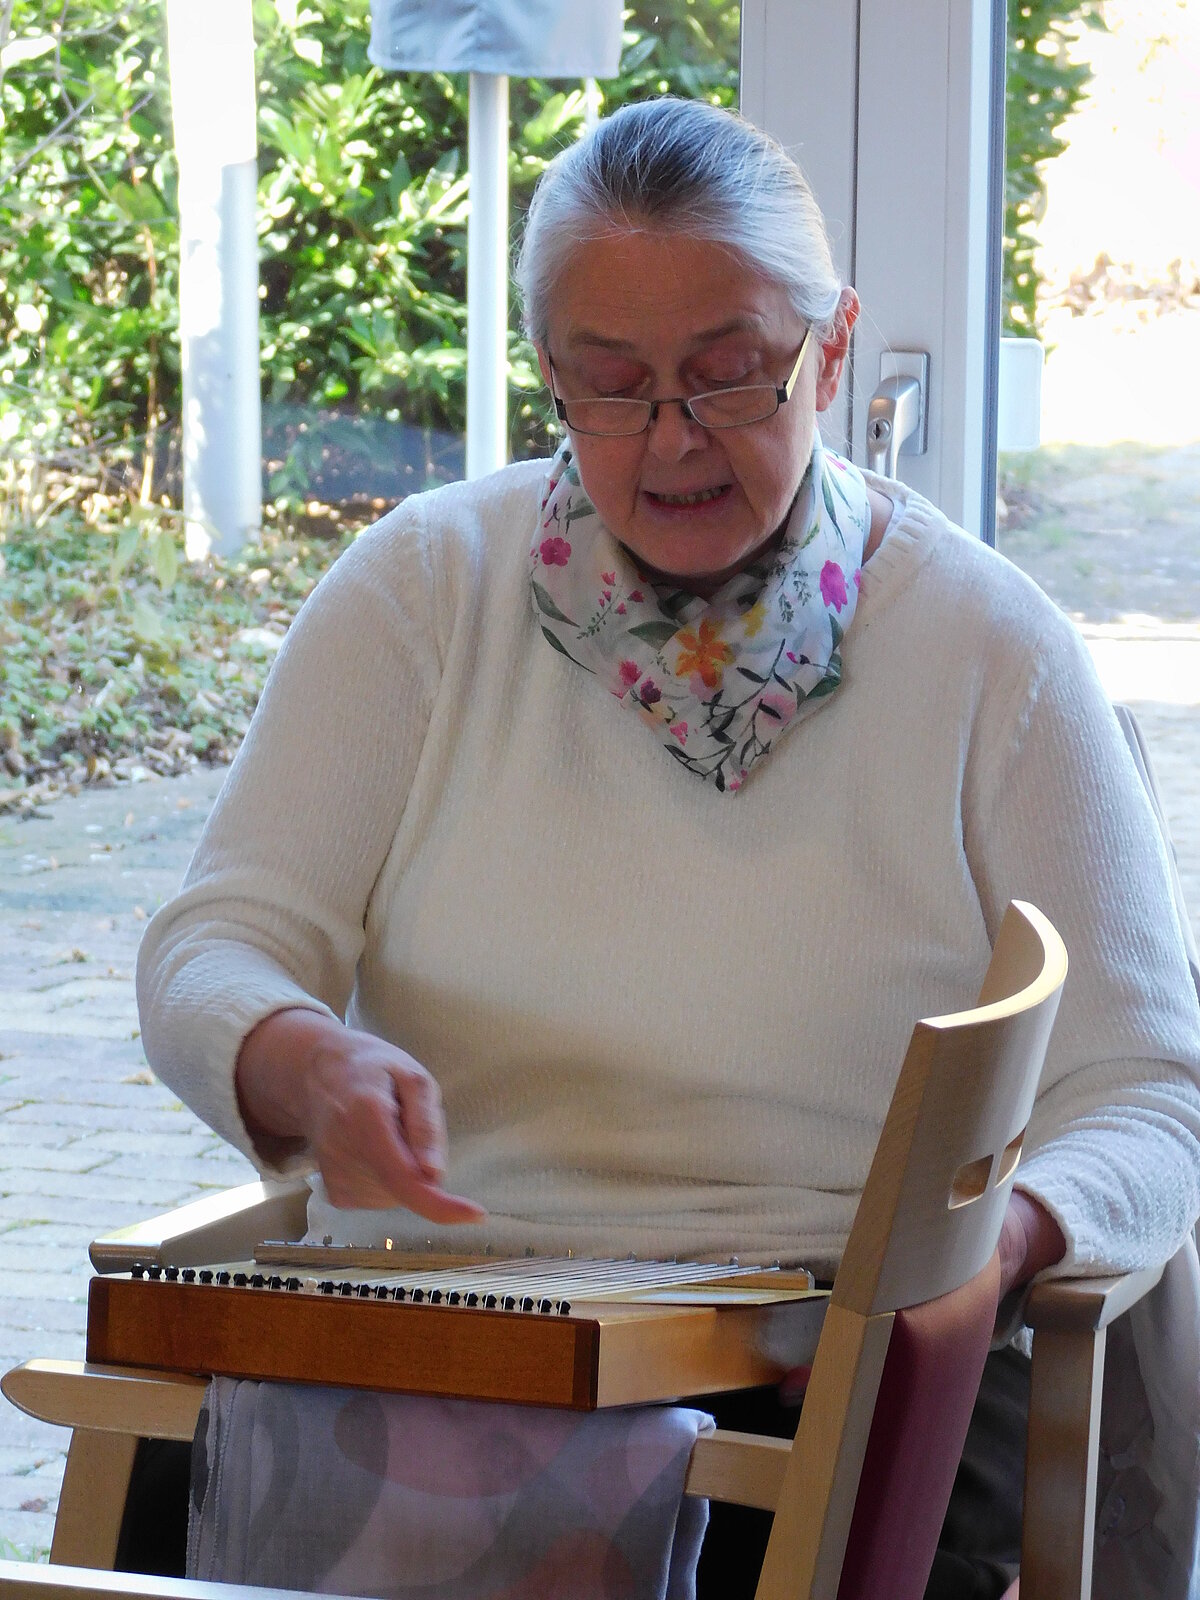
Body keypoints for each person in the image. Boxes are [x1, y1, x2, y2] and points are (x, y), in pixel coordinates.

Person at [136, 97, 1200, 1598]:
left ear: (832, 349)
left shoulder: (988, 651)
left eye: (730, 375)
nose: (673, 439)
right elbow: (210, 948)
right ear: (547, 379)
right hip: (447, 1331)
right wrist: (298, 1056)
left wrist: (999, 1245)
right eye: (611, 385)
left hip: (837, 1356)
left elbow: (1151, 1093)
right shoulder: (421, 596)